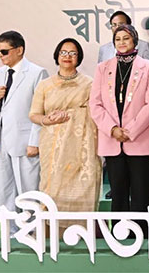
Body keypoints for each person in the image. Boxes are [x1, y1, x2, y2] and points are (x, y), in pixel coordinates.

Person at [90, 24, 149, 234]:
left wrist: (131, 130)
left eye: (126, 38)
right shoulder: (103, 68)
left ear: (134, 41)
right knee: (118, 192)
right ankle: (119, 237)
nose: (121, 42)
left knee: (141, 193)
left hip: (140, 139)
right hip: (112, 140)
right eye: (118, 39)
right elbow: (95, 104)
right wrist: (112, 129)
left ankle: (143, 237)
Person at [28, 38, 101, 233]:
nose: (67, 56)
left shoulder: (89, 84)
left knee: (83, 185)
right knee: (52, 186)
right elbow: (34, 114)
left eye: (72, 53)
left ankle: (82, 232)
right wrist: (47, 120)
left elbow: (96, 112)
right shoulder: (45, 85)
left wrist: (73, 114)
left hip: (83, 146)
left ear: (79, 58)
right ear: (57, 56)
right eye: (63, 52)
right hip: (52, 145)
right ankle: (51, 233)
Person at [0, 31, 49, 231]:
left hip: (25, 141)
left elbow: (41, 111)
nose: (0, 55)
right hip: (0, 141)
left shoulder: (37, 73)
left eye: (4, 51)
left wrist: (35, 142)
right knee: (3, 190)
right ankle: (10, 232)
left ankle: (33, 232)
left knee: (28, 190)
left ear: (19, 50)